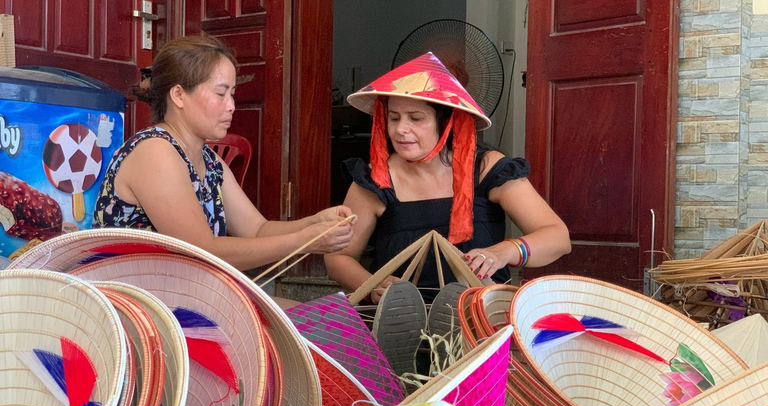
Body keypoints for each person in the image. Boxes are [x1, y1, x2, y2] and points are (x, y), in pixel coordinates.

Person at [324, 53, 570, 304]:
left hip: (479, 319)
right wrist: (372, 285)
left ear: (447, 122)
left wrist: (503, 252)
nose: (400, 130)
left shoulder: (486, 168)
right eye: (394, 117)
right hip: (398, 321)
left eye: (416, 118)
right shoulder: (375, 179)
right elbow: (338, 258)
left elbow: (558, 237)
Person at [93, 35, 354, 271]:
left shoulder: (210, 161)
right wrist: (307, 240)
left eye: (233, 94)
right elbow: (201, 251)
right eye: (220, 93)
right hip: (139, 308)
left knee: (334, 321)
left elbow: (256, 229)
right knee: (312, 323)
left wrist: (315, 223)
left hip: (185, 301)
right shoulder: (154, 151)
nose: (231, 106)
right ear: (179, 95)